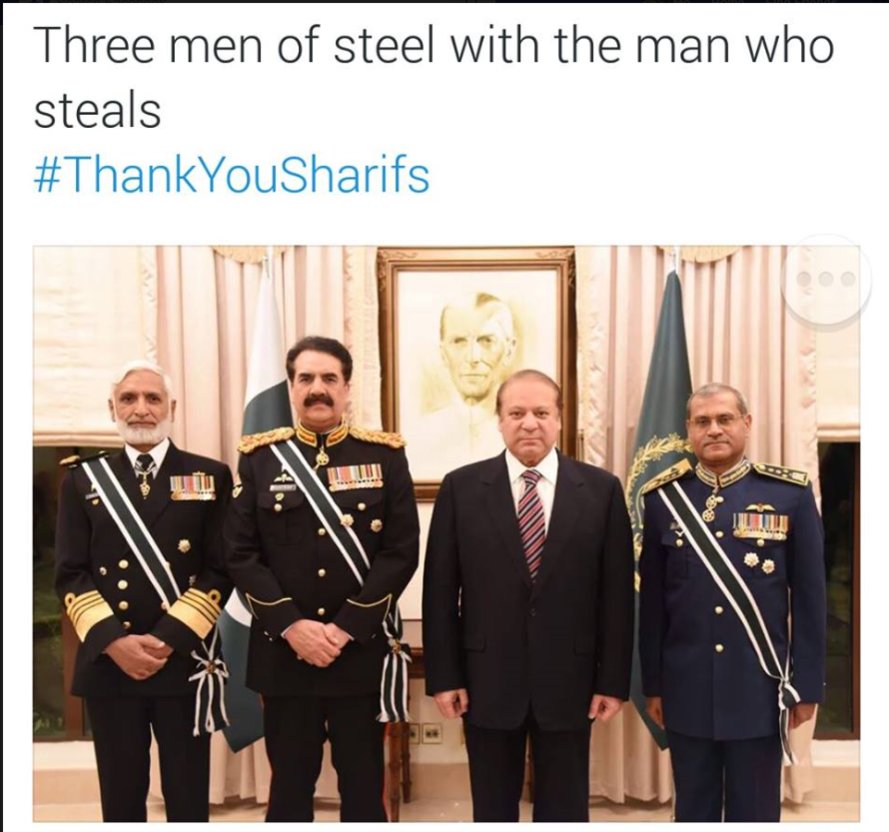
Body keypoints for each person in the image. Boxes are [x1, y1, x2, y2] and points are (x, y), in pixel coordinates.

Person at [422, 369, 635, 822]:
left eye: (541, 412)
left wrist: (612, 681)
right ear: (499, 420)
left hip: (571, 682)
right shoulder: (461, 489)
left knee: (565, 810)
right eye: (517, 413)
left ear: (559, 419)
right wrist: (444, 676)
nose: (529, 423)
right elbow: (439, 593)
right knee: (493, 810)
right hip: (486, 681)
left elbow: (617, 598)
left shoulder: (601, 490)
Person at [224, 335, 420, 822]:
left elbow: (400, 552)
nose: (318, 389)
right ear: (291, 388)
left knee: (363, 788)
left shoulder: (385, 457)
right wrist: (293, 627)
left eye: (329, 378)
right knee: (289, 790)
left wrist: (345, 628)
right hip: (285, 656)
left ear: (347, 388)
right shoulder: (260, 458)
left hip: (358, 653)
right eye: (306, 378)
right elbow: (241, 555)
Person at [638, 383, 826, 822]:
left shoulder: (790, 495)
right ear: (689, 429)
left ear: (746, 423)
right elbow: (652, 607)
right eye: (702, 421)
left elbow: (811, 600)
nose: (714, 430)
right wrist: (654, 685)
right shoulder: (663, 499)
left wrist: (807, 686)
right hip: (686, 688)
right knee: (694, 810)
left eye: (725, 419)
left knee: (755, 812)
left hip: (758, 689)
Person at [55, 359, 233, 822]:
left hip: (182, 659)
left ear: (171, 407)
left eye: (153, 398)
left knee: (188, 799)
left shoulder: (210, 476)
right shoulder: (82, 480)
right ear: (111, 408)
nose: (140, 409)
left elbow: (220, 569)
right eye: (128, 399)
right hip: (111, 664)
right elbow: (71, 573)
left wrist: (167, 639)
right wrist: (115, 642)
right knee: (121, 801)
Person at [413, 293, 518, 474]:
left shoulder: (525, 436)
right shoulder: (420, 435)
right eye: (459, 342)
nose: (472, 357)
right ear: (443, 353)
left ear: (509, 351)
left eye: (487, 341)